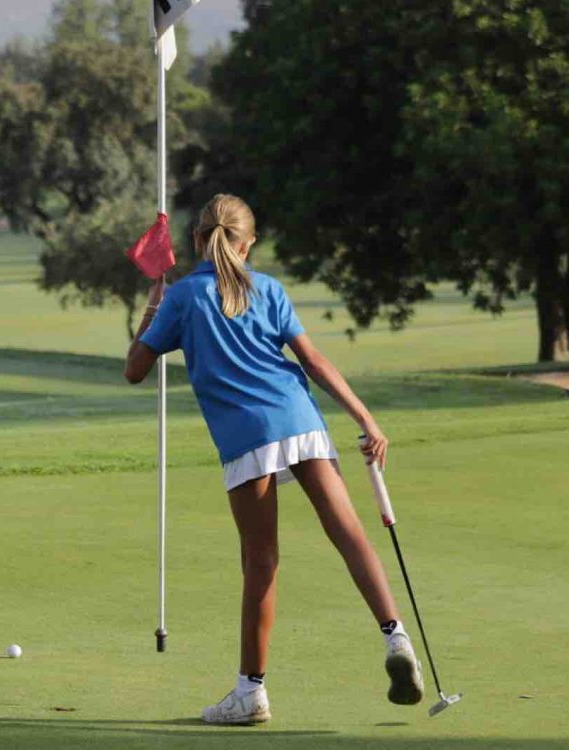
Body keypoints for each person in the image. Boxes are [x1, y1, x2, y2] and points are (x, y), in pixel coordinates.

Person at [124, 194, 424, 725]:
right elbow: (314, 360)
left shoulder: (183, 297)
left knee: (260, 561)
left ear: (198, 240)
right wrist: (366, 420)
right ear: (249, 242)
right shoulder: (270, 289)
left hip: (247, 437)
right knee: (349, 533)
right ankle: (395, 635)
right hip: (301, 419)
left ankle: (250, 692)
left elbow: (135, 368)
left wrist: (155, 299)